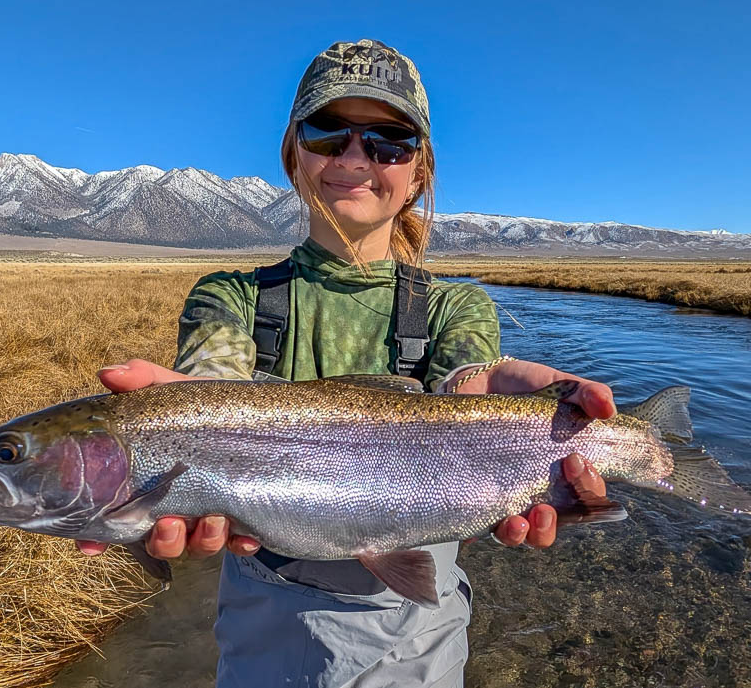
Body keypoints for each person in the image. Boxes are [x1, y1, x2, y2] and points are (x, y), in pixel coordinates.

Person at [77, 39, 615, 687]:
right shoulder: (231, 297)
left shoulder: (454, 305)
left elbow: (465, 382)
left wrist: (533, 419)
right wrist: (183, 420)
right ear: (293, 154)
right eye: (329, 132)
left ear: (419, 170)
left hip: (419, 644)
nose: (356, 157)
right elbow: (213, 383)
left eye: (388, 139)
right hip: (263, 636)